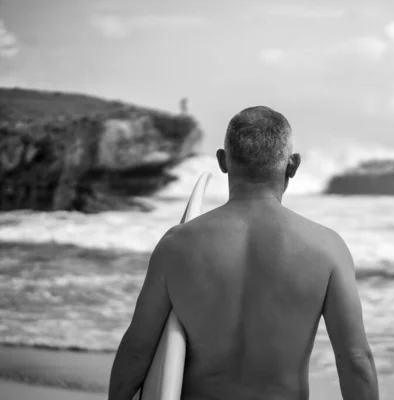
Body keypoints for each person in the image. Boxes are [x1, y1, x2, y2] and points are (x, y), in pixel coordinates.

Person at [108, 106, 379, 400]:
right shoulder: (327, 247)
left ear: (223, 161)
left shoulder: (176, 245)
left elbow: (136, 351)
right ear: (293, 165)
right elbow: (355, 361)